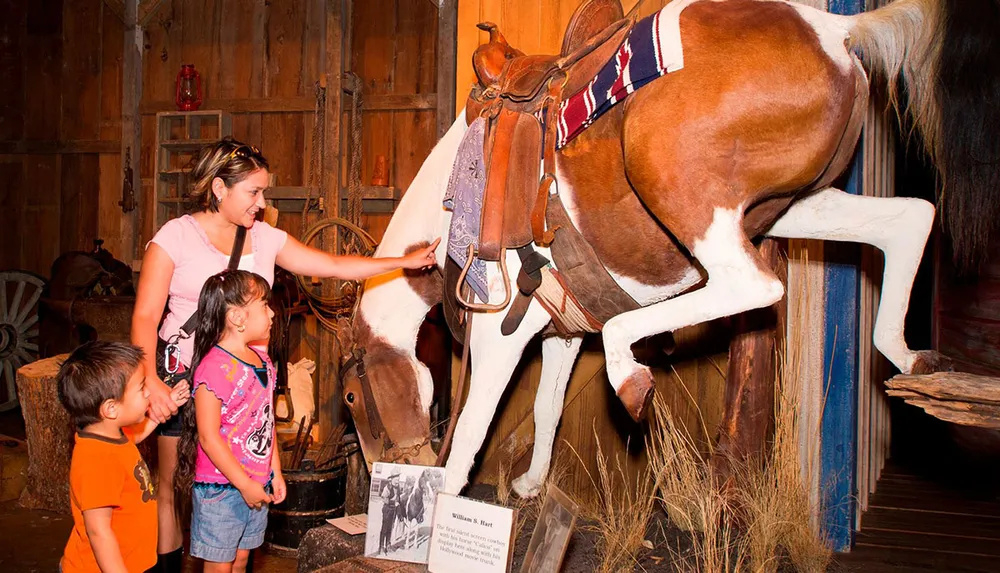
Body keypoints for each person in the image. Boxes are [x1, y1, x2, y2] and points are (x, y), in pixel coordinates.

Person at [130, 137, 439, 572]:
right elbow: (145, 318)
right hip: (181, 379)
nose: (261, 202)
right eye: (252, 192)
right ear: (219, 188)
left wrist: (398, 264)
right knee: (173, 485)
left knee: (240, 486)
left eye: (264, 193)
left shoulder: (265, 239)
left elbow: (330, 265)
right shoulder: (175, 238)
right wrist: (153, 381)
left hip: (244, 389)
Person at [172, 269, 283, 573]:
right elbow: (208, 437)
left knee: (242, 559)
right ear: (237, 318)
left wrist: (276, 472)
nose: (271, 313)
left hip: (256, 484)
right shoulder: (214, 368)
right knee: (220, 565)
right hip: (221, 488)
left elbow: (266, 422)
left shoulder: (263, 363)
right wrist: (244, 484)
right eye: (264, 305)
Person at [57, 341, 190, 573]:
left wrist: (162, 413)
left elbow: (134, 438)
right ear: (111, 409)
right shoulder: (96, 461)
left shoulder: (108, 434)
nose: (148, 392)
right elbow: (99, 532)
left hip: (134, 561)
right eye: (141, 388)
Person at [379, 473, 402, 554]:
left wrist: (398, 504)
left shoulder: (398, 487)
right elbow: (384, 498)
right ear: (391, 480)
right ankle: (381, 547)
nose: (397, 481)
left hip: (394, 511)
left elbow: (398, 498)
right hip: (387, 509)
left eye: (398, 480)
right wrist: (393, 503)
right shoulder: (388, 487)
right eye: (396, 480)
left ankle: (388, 546)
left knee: (390, 528)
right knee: (384, 528)